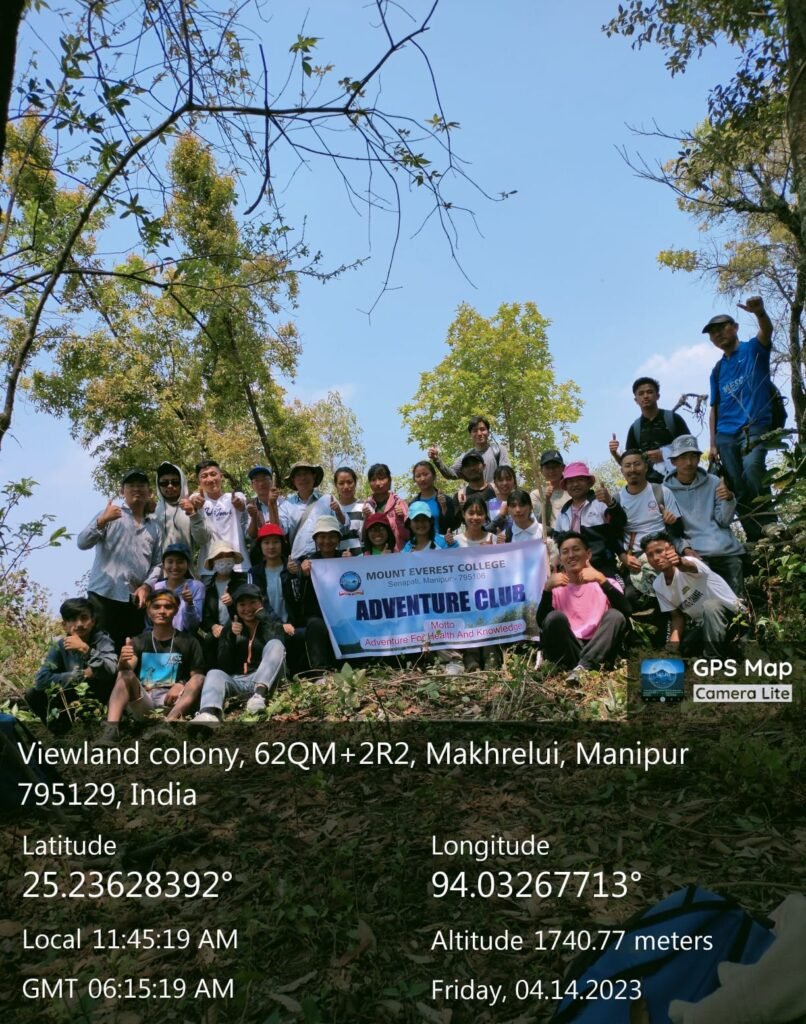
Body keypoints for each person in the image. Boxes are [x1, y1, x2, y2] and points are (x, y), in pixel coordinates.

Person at [704, 296, 777, 541]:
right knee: (736, 484)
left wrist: (760, 313)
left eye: (721, 328)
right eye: (712, 333)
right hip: (725, 434)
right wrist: (712, 444)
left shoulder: (753, 349)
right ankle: (755, 535)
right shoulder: (717, 370)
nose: (717, 335)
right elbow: (714, 408)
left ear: (735, 327)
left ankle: (770, 524)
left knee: (753, 468)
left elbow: (766, 331)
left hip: (755, 424)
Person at [97, 591, 205, 743]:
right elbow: (127, 669)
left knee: (199, 678)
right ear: (148, 611)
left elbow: (196, 676)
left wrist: (181, 683)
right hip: (145, 701)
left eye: (168, 607)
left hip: (173, 703)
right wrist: (122, 661)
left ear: (176, 610)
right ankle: (111, 730)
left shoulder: (189, 641)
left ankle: (167, 724)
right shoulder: (139, 641)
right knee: (124, 674)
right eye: (156, 607)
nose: (162, 611)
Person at [77, 468, 162, 651]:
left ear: (149, 492)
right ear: (122, 491)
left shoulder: (154, 527)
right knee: (99, 650)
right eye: (131, 485)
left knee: (130, 651)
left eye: (141, 485)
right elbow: (82, 542)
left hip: (135, 599)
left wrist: (146, 586)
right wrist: (101, 521)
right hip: (104, 595)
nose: (136, 489)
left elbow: (158, 563)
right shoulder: (110, 515)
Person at [539, 532, 630, 684]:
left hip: (599, 648)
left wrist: (601, 580)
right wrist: (547, 590)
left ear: (588, 554)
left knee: (615, 615)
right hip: (569, 650)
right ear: (560, 558)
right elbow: (542, 623)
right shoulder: (555, 587)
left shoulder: (605, 582)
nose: (571, 555)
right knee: (554, 617)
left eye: (576, 549)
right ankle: (582, 666)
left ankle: (584, 666)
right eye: (565, 552)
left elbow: (626, 611)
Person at [191, 584, 286, 727]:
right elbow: (224, 665)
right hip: (239, 681)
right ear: (236, 607)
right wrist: (230, 636)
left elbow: (279, 649)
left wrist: (264, 619)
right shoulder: (231, 626)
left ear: (261, 602)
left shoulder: (272, 622)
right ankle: (208, 713)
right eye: (242, 604)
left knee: (275, 643)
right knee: (214, 673)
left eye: (253, 602)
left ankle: (259, 695)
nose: (248, 608)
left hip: (267, 681)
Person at [664, 435, 745, 595]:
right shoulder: (665, 491)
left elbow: (724, 521)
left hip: (724, 550)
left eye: (693, 457)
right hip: (694, 553)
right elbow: (670, 533)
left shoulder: (714, 481)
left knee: (737, 600)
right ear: (673, 461)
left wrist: (729, 499)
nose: (689, 462)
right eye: (683, 457)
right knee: (706, 600)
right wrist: (684, 548)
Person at [602, 450, 682, 610]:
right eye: (627, 465)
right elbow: (612, 535)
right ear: (622, 470)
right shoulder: (617, 500)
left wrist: (672, 522)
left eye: (637, 464)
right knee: (631, 597)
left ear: (646, 467)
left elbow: (679, 530)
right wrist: (623, 557)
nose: (633, 469)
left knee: (675, 593)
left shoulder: (661, 491)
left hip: (663, 552)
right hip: (635, 557)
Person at [641, 532, 744, 657]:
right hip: (706, 626)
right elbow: (677, 617)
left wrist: (679, 562)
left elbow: (689, 566)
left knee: (711, 606)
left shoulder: (691, 562)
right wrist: (671, 648)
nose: (656, 558)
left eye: (659, 551)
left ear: (671, 549)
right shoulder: (658, 585)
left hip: (735, 618)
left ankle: (713, 660)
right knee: (684, 648)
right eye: (650, 555)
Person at [26, 598, 117, 733]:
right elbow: (41, 680)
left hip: (99, 697)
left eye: (84, 618)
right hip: (72, 698)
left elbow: (111, 670)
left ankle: (105, 724)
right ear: (64, 625)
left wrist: (86, 650)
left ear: (93, 621)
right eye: (73, 619)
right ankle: (60, 731)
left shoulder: (103, 640)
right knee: (32, 694)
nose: (79, 624)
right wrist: (82, 675)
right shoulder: (60, 645)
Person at [284, 516, 343, 677]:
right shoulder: (307, 562)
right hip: (316, 615)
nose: (327, 541)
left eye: (332, 536)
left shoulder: (346, 558)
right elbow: (295, 598)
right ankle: (320, 671)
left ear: (338, 539)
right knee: (316, 625)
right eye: (322, 537)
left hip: (343, 613)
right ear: (315, 539)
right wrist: (299, 575)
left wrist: (351, 564)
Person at [609, 377, 691, 482]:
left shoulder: (673, 419)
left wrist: (666, 454)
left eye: (649, 392)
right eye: (641, 393)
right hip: (649, 486)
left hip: (678, 482)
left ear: (658, 396)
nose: (645, 396)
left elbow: (690, 448)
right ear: (636, 400)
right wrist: (614, 453)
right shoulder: (635, 428)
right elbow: (629, 464)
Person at [552, 462, 626, 577]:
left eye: (580, 480)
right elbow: (558, 542)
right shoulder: (563, 512)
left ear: (589, 482)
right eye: (570, 481)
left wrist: (610, 502)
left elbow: (620, 523)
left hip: (602, 569)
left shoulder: (600, 503)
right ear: (566, 486)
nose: (575, 484)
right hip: (573, 573)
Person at [276, 461, 347, 564]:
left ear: (314, 476)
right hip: (299, 562)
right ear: (293, 480)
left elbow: (345, 527)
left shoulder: (328, 499)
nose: (303, 478)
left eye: (306, 473)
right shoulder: (286, 505)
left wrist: (338, 512)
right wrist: (272, 505)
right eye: (298, 475)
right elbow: (280, 531)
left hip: (327, 560)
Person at [190, 459, 251, 574]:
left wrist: (240, 505)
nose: (210, 479)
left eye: (213, 474)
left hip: (239, 566)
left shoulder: (234, 497)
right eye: (204, 476)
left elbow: (242, 503)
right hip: (208, 569)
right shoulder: (198, 500)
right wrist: (194, 503)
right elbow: (192, 499)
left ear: (221, 476)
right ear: (199, 481)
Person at [199, 541, 247, 667]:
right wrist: (213, 626)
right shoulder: (208, 587)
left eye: (227, 556)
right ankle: (211, 673)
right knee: (209, 639)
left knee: (241, 640)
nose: (224, 560)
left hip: (239, 627)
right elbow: (206, 616)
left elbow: (249, 608)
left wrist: (233, 603)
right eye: (219, 557)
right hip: (218, 630)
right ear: (213, 562)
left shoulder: (242, 582)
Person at [428, 415, 512, 484]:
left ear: (488, 432)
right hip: (476, 499)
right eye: (475, 431)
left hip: (497, 497)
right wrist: (437, 459)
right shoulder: (467, 457)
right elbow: (451, 474)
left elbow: (506, 475)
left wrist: (489, 488)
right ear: (470, 435)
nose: (479, 433)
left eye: (482, 429)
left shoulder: (498, 450)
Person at [153, 460, 209, 554]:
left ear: (182, 483)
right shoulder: (153, 511)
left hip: (186, 563)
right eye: (164, 483)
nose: (170, 486)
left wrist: (193, 514)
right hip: (159, 563)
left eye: (175, 482)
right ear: (158, 485)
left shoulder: (192, 506)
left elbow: (202, 540)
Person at [151, 543, 206, 633]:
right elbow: (150, 622)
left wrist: (189, 604)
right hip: (159, 636)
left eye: (180, 562)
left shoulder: (196, 587)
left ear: (188, 565)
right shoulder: (156, 587)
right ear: (163, 564)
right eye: (170, 562)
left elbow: (193, 626)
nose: (175, 567)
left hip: (185, 638)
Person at [363, 463, 409, 552]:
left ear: (390, 480)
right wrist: (365, 519)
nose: (377, 483)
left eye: (381, 479)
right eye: (373, 480)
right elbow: (364, 537)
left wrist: (401, 518)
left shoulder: (399, 503)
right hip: (375, 556)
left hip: (399, 554)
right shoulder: (367, 505)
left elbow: (409, 535)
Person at [409, 460, 460, 534]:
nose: (422, 479)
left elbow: (453, 526)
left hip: (442, 541)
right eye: (418, 476)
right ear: (414, 479)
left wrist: (444, 508)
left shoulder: (446, 500)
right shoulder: (413, 503)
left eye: (425, 474)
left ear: (434, 476)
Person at [530, 449, 570, 531]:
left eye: (555, 466)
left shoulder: (572, 492)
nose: (551, 471)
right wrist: (546, 500)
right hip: (548, 537)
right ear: (541, 470)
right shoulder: (536, 494)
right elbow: (538, 522)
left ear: (563, 468)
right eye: (548, 467)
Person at [331, 466, 365, 555]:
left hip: (362, 559)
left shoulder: (364, 507)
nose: (346, 486)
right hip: (338, 559)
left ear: (355, 483)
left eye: (349, 482)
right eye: (341, 483)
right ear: (336, 485)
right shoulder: (331, 510)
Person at [245, 465, 279, 540]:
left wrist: (271, 504)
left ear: (271, 481)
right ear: (252, 485)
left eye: (264, 479)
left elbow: (280, 529)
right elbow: (251, 535)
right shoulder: (251, 506)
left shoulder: (283, 503)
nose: (261, 484)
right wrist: (254, 517)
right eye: (256, 481)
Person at [488, 464, 517, 534]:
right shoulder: (487, 505)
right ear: (495, 483)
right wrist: (500, 515)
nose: (505, 483)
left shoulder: (522, 502)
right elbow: (484, 530)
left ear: (514, 481)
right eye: (500, 480)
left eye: (508, 479)